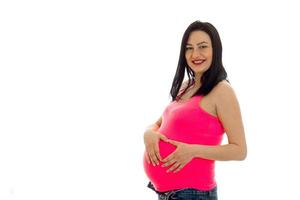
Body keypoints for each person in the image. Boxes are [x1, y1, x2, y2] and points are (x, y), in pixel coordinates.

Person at [143, 20, 247, 200]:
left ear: (216, 49)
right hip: (168, 194)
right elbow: (159, 123)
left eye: (202, 46)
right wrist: (148, 133)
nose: (195, 54)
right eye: (189, 48)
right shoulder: (186, 86)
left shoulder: (222, 91)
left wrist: (192, 151)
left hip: (193, 194)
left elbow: (239, 150)